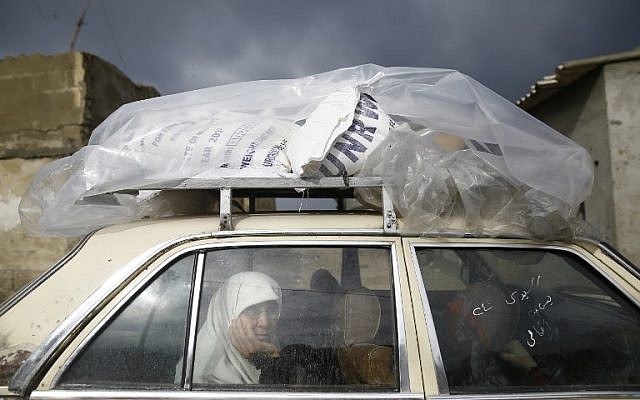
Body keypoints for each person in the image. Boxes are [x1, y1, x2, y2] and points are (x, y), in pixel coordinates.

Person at [192, 271, 282, 385]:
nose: (264, 323)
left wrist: (272, 360)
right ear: (228, 316)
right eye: (252, 310)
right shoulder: (203, 382)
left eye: (271, 310)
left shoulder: (283, 352)